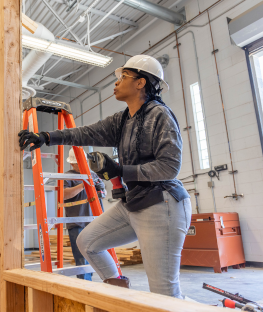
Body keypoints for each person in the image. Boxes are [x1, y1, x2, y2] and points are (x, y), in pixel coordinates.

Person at [18, 55, 191, 299]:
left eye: (123, 77)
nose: (117, 82)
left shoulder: (160, 115)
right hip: (134, 203)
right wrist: (46, 137)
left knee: (164, 292)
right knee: (88, 242)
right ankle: (121, 295)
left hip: (162, 203)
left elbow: (169, 167)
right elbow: (85, 133)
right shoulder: (123, 119)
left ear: (140, 83)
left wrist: (121, 171)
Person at [63, 148, 106, 281]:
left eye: (84, 163)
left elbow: (103, 194)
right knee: (81, 258)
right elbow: (64, 195)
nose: (83, 165)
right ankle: (84, 284)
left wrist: (100, 190)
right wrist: (84, 184)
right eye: (79, 163)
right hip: (77, 224)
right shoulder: (67, 176)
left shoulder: (93, 174)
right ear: (72, 164)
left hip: (94, 222)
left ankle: (90, 282)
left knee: (94, 254)